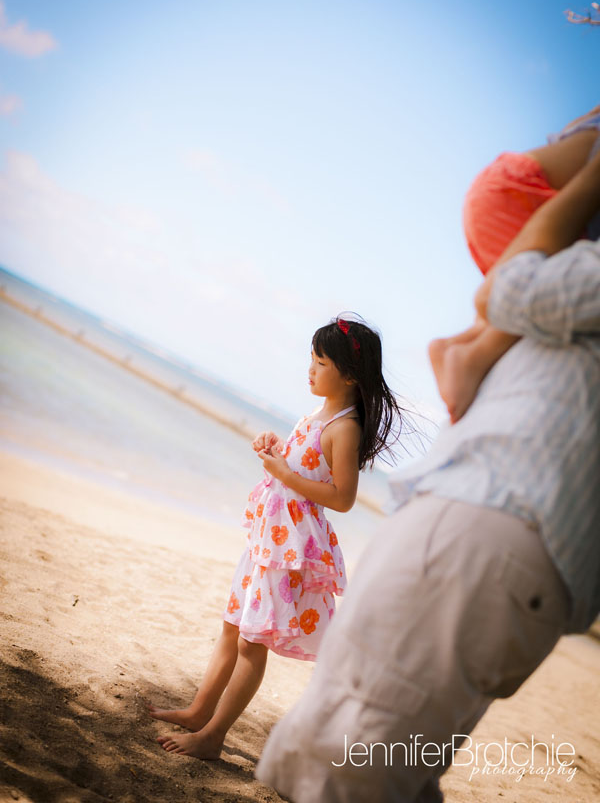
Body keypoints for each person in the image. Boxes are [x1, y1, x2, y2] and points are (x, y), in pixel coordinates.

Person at [254, 145, 600, 801]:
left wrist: (593, 176)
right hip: (529, 551)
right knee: (398, 771)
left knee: (342, 761)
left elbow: (506, 281)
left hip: (489, 524)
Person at [148, 315, 406, 760]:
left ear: (348, 375)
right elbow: (301, 465)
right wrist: (275, 448)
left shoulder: (343, 427)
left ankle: (213, 736)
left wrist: (284, 472)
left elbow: (342, 497)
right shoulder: (318, 414)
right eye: (311, 359)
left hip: (291, 549)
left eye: (320, 363)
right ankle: (198, 711)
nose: (310, 369)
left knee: (252, 641)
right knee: (233, 624)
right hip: (270, 539)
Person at [430, 104, 600, 422]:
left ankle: (455, 345)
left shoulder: (588, 127)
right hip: (524, 196)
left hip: (500, 185)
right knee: (538, 297)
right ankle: (472, 357)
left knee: (504, 308)